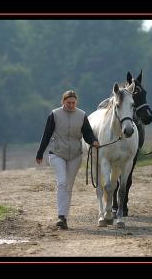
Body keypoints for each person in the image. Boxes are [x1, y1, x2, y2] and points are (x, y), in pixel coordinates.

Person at [36, 90, 100, 229]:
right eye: (68, 102)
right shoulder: (54, 114)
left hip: (75, 155)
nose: (71, 105)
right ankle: (60, 216)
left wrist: (94, 142)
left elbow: (88, 134)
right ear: (63, 102)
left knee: (68, 186)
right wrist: (40, 153)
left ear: (76, 102)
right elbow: (46, 135)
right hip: (57, 153)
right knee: (62, 182)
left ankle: (64, 217)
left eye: (73, 103)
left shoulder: (82, 115)